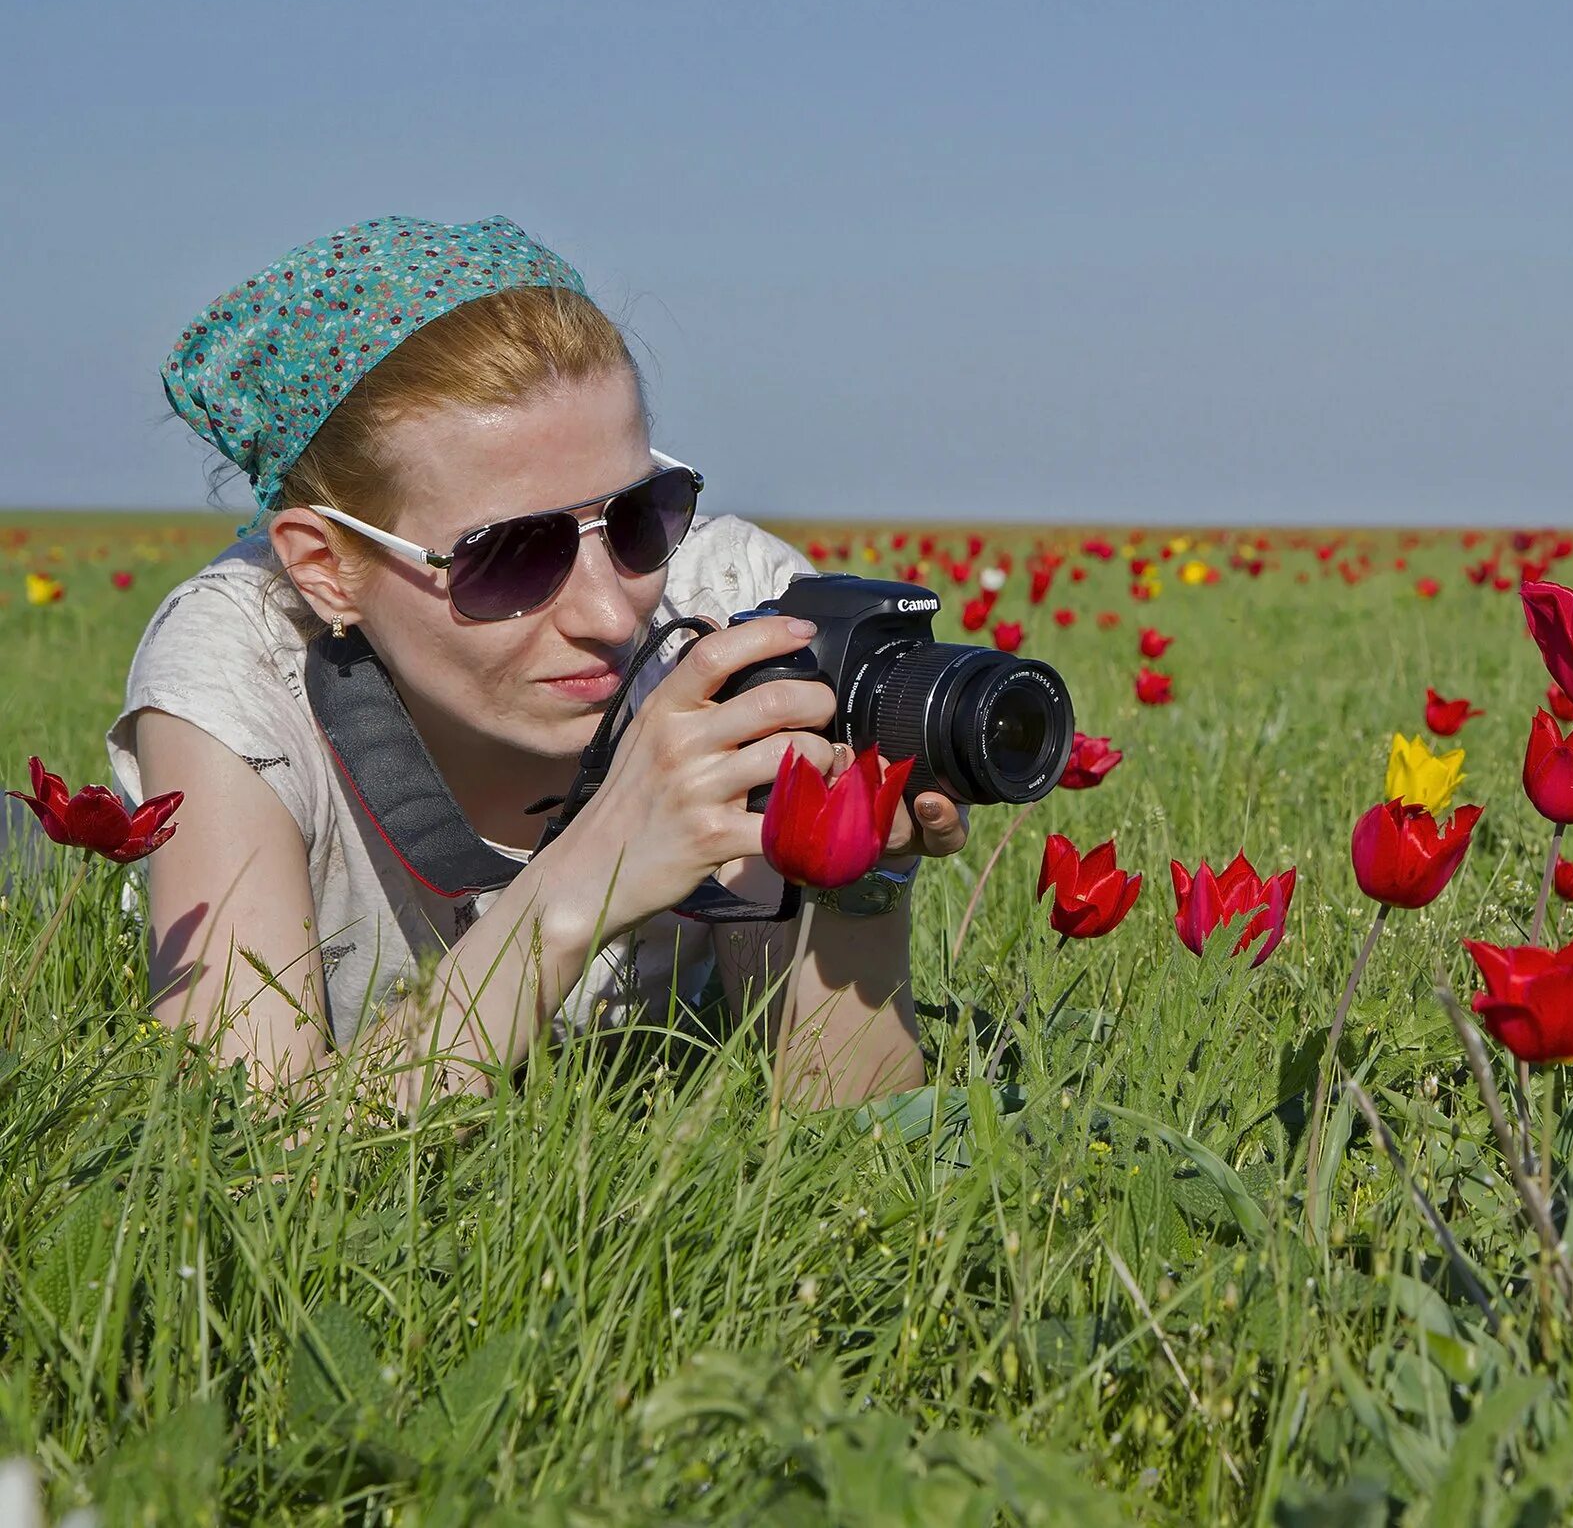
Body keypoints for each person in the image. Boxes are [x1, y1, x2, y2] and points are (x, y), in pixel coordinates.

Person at [111, 215, 966, 1110]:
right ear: (324, 568)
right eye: (512, 555)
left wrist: (861, 880)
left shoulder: (736, 608)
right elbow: (244, 1156)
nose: (610, 611)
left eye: (642, 516)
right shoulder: (239, 667)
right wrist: (575, 887)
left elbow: (837, 1121)